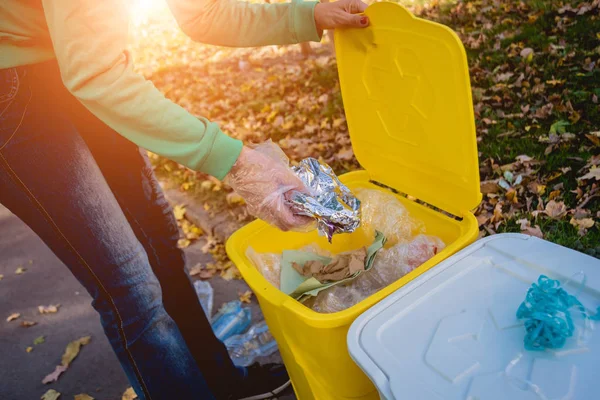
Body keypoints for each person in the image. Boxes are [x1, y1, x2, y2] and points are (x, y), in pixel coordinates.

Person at [0, 0, 368, 399]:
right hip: (15, 88)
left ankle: (218, 382)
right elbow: (96, 76)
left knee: (157, 240)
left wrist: (307, 15)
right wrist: (236, 162)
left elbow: (202, 13)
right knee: (129, 285)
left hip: (71, 57)